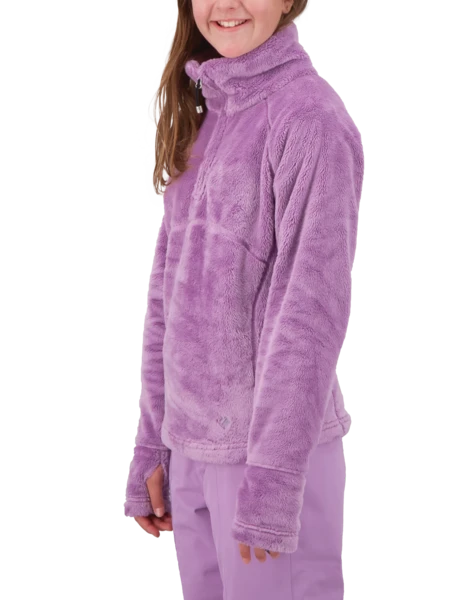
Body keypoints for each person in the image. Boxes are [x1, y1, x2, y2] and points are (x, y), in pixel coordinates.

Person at [124, 1, 364, 598]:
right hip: (191, 456)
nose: (226, 5)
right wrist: (153, 442)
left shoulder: (308, 120)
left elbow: (310, 313)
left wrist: (274, 481)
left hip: (269, 464)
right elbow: (167, 300)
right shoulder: (209, 116)